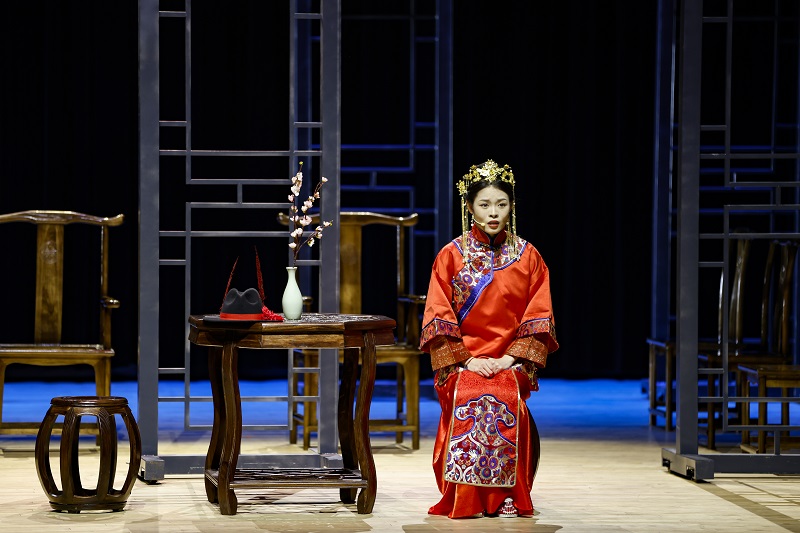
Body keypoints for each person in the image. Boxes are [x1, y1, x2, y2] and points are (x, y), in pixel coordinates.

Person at [418, 159, 559, 519]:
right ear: (469, 207)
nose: (493, 213)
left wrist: (507, 360)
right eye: (484, 204)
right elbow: (438, 317)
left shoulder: (529, 257)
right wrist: (468, 360)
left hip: (510, 361)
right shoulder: (450, 256)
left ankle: (507, 495)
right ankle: (467, 497)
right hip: (463, 361)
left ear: (512, 207)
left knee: (505, 394)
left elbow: (539, 317)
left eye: (501, 204)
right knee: (470, 394)